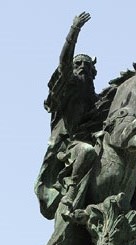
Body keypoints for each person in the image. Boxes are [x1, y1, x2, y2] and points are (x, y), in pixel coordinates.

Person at [35, 12, 99, 220]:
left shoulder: (96, 100)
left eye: (88, 67)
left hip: (88, 140)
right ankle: (70, 195)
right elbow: (64, 62)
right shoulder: (69, 86)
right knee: (87, 151)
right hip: (66, 145)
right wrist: (74, 30)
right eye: (79, 64)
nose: (83, 69)